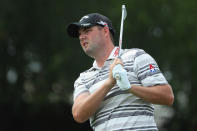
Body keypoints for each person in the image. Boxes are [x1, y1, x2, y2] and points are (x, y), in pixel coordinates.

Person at [67, 13, 174, 131]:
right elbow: (79, 115)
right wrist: (108, 84)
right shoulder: (83, 78)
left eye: (87, 30)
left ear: (105, 31)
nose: (82, 37)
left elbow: (167, 96)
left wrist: (130, 88)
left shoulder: (136, 56)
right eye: (79, 34)